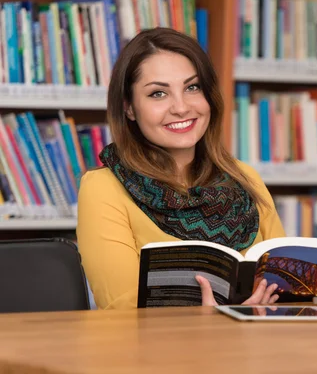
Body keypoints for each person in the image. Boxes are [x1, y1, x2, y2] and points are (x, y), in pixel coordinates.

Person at [76, 27, 286, 310]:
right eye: (158, 94)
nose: (181, 107)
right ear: (129, 109)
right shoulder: (102, 188)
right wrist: (216, 318)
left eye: (192, 87)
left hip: (259, 347)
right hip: (155, 353)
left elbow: (286, 289)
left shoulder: (244, 177)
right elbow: (121, 310)